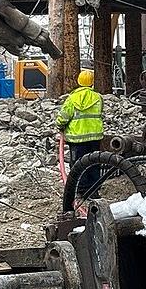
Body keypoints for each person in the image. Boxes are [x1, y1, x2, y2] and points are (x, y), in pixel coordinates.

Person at [56, 69, 104, 198]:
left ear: (79, 81)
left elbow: (64, 116)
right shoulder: (98, 98)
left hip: (77, 139)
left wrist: (60, 125)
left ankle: (80, 189)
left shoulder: (72, 98)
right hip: (94, 137)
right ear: (92, 82)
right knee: (94, 163)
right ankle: (93, 190)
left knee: (78, 163)